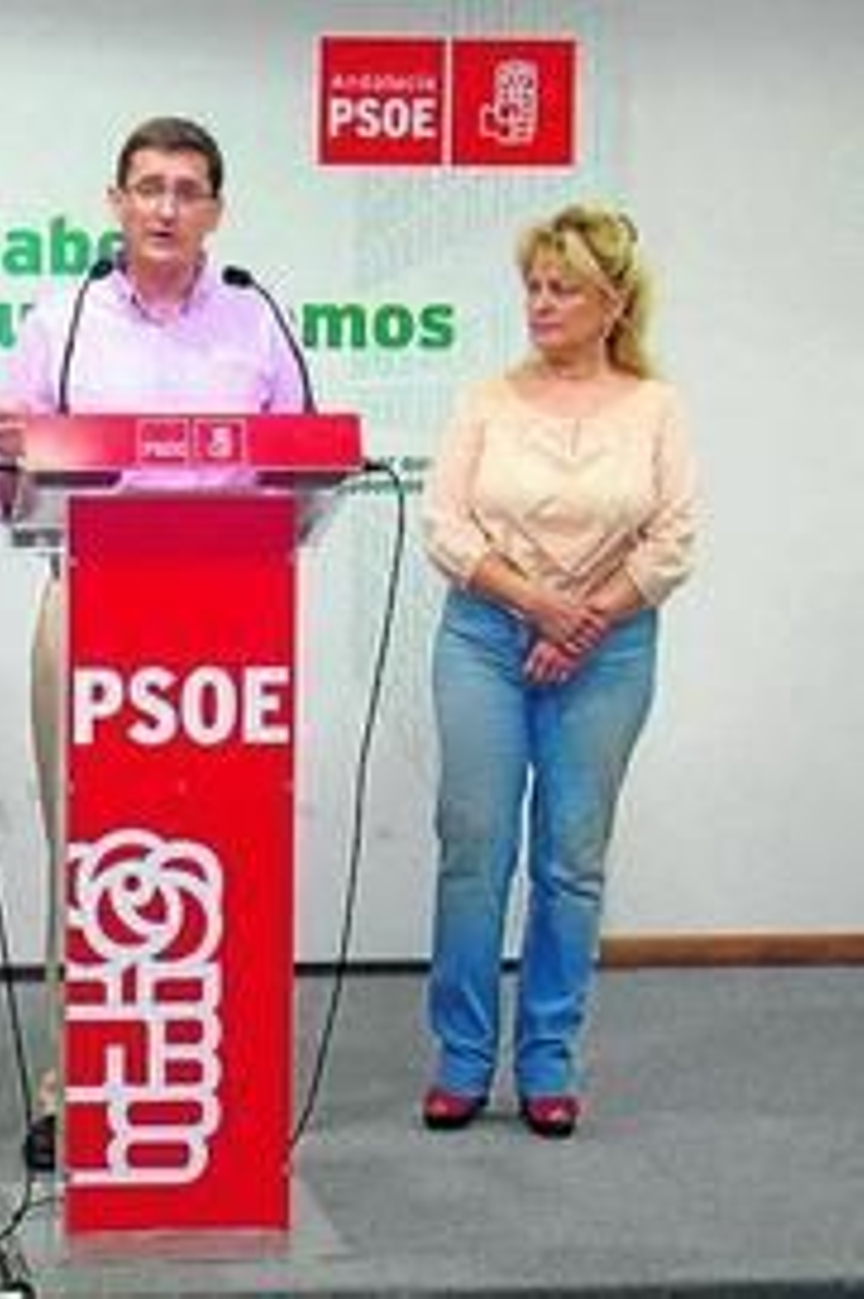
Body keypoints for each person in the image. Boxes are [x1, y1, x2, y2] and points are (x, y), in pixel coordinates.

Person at [0, 116, 309, 1171]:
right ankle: (70, 1090)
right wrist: (12, 458)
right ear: (114, 201)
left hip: (228, 616)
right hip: (89, 600)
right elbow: (1, 496)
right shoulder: (62, 319)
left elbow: (303, 470)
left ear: (216, 208)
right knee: (90, 852)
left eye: (188, 189)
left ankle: (220, 1079)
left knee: (226, 845)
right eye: (148, 188)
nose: (166, 207)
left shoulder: (259, 321)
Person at [419, 204, 697, 1139]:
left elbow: (674, 539)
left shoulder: (656, 407)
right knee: (474, 847)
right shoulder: (485, 399)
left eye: (562, 287)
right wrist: (538, 605)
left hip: (609, 648)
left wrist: (584, 621)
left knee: (571, 861)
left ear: (612, 302)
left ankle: (548, 1059)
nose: (539, 303)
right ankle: (461, 1058)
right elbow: (446, 529)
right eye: (533, 285)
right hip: (485, 638)